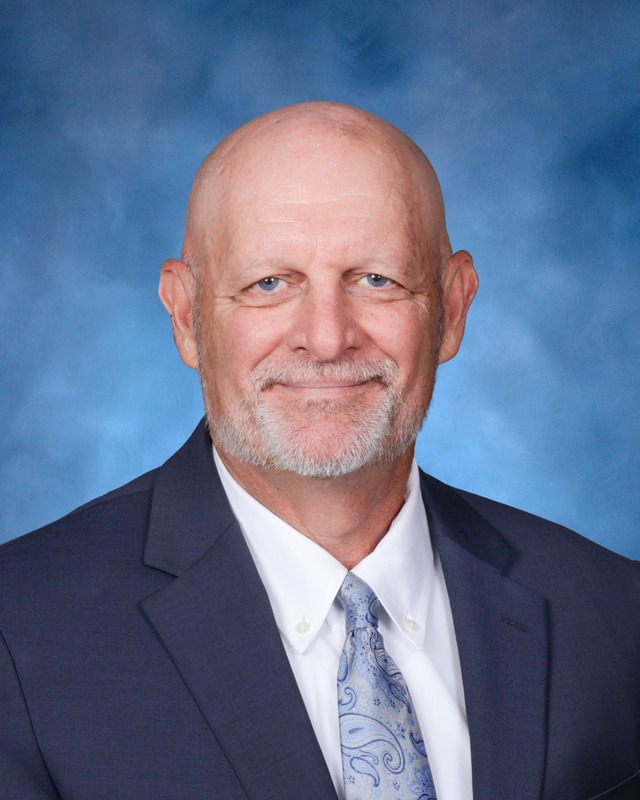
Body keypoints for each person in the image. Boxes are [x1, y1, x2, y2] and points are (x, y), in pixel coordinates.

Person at [0, 102, 638, 800]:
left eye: (377, 279)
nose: (328, 338)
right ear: (186, 317)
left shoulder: (615, 614)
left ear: (453, 309)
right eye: (269, 283)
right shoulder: (20, 633)